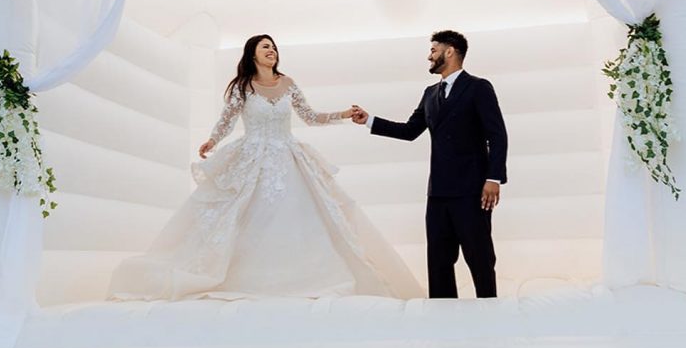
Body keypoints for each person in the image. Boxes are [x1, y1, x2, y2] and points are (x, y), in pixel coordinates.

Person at [109, 34, 422, 301]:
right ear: (253, 54)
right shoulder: (242, 87)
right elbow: (227, 119)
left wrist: (342, 114)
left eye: (273, 46)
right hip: (252, 157)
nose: (271, 50)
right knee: (242, 216)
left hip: (288, 156)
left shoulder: (288, 84)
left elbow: (309, 117)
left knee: (303, 216)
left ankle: (301, 277)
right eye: (265, 47)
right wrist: (212, 141)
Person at [351, 30, 507, 299]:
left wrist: (493, 178)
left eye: (433, 50)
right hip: (438, 193)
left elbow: (497, 135)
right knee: (438, 263)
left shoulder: (479, 87)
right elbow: (410, 130)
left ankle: (490, 315)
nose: (429, 56)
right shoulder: (430, 93)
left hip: (472, 191)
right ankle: (443, 322)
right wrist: (369, 120)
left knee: (480, 259)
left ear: (450, 52)